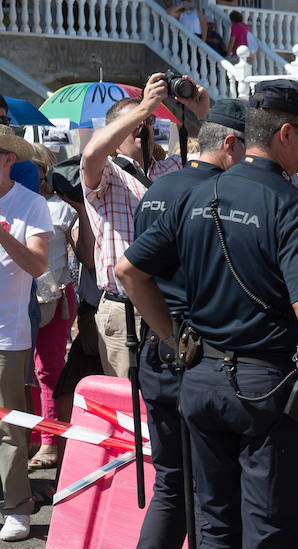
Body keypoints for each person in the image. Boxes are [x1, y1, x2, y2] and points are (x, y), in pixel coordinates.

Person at [116, 79, 298, 549]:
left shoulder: (196, 192)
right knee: (268, 537)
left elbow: (129, 271)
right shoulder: (292, 206)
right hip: (265, 387)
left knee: (218, 530)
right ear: (286, 133)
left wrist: (174, 334)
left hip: (201, 380)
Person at [127, 99, 247, 549]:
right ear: (231, 144)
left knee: (172, 479)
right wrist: (176, 338)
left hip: (159, 343)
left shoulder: (161, 187)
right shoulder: (214, 194)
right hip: (192, 346)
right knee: (212, 486)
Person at [80, 72, 209, 378]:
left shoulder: (173, 168)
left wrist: (203, 111)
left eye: (150, 122)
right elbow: (90, 155)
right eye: (136, 123)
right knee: (127, 408)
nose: (143, 128)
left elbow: (223, 156)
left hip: (173, 304)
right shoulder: (108, 173)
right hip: (125, 308)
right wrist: (143, 107)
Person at [0, 126, 52, 542]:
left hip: (6, 334)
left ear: (6, 160)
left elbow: (37, 267)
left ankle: (16, 506)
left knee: (8, 427)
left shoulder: (31, 204)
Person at [27, 143, 77, 470]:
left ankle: (50, 442)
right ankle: (35, 439)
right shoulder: (15, 206)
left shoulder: (61, 210)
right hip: (23, 299)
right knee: (25, 372)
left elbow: (84, 254)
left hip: (55, 300)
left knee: (48, 372)